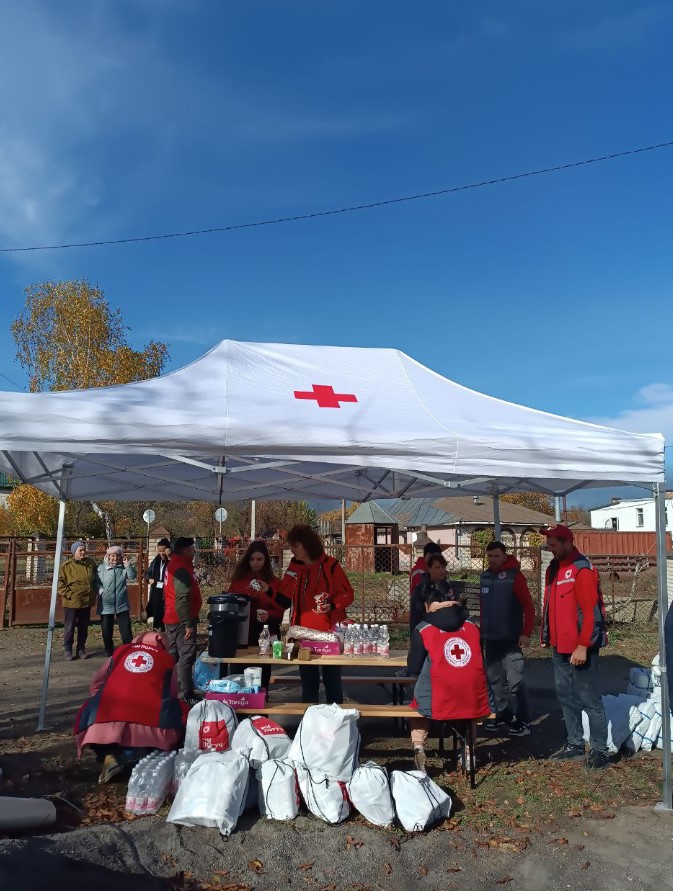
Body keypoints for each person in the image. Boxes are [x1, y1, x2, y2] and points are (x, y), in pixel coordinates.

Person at [74, 631, 187, 783]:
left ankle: (111, 755)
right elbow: (172, 693)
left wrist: (102, 697)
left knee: (92, 707)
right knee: (180, 711)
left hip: (104, 719)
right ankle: (130, 757)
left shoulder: (121, 652)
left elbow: (95, 684)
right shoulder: (167, 659)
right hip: (150, 721)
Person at [540, 524, 609, 770]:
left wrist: (583, 645)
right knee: (566, 695)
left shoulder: (582, 570)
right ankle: (574, 744)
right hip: (560, 646)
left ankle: (600, 750)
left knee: (588, 698)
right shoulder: (554, 569)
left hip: (581, 647)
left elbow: (591, 614)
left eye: (553, 545)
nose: (549, 549)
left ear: (567, 542)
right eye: (548, 544)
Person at [406, 586, 490, 772]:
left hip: (439, 698)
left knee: (417, 704)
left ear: (429, 605)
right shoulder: (472, 626)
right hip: (473, 694)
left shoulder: (424, 628)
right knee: (469, 707)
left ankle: (419, 747)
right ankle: (468, 752)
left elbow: (413, 667)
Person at [281, 524, 354, 704]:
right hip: (301, 635)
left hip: (329, 635)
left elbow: (348, 594)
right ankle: (309, 723)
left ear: (307, 545)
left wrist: (333, 604)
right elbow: (284, 593)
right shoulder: (294, 566)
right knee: (308, 684)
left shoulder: (331, 566)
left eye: (295, 546)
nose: (292, 551)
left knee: (332, 682)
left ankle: (336, 724)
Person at [479, 541, 535, 736]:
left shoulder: (515, 577)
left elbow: (528, 606)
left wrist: (526, 633)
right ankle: (503, 716)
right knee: (496, 682)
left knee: (515, 682)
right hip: (491, 640)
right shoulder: (485, 577)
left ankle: (523, 722)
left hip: (511, 640)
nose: (493, 559)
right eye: (490, 556)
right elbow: (482, 607)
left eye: (496, 556)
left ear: (504, 556)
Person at [227, 540, 291, 690]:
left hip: (266, 636)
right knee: (239, 679)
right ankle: (241, 712)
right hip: (242, 636)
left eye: (259, 559)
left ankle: (260, 708)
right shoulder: (239, 581)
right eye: (252, 559)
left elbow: (282, 606)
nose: (255, 563)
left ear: (266, 560)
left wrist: (269, 615)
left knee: (261, 681)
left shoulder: (274, 583)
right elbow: (230, 604)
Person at [164, 537, 202, 705]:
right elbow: (181, 598)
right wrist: (187, 623)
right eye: (192, 549)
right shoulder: (181, 569)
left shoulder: (177, 564)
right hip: (180, 620)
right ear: (185, 550)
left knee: (173, 655)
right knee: (186, 655)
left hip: (173, 617)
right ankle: (187, 693)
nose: (194, 552)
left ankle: (166, 688)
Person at [58, 540, 98, 661]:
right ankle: (68, 650)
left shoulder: (90, 563)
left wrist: (94, 592)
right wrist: (69, 594)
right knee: (69, 626)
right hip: (72, 602)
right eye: (80, 550)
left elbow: (95, 579)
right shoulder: (66, 566)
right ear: (74, 552)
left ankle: (81, 649)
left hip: (86, 601)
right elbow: (60, 583)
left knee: (83, 626)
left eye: (84, 550)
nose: (83, 552)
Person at [96, 546, 137, 657]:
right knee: (106, 629)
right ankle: (109, 650)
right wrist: (101, 591)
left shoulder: (124, 567)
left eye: (118, 556)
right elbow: (96, 581)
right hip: (106, 603)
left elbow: (132, 577)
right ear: (108, 556)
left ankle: (128, 650)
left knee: (126, 630)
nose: (115, 558)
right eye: (113, 556)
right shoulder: (100, 568)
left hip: (121, 603)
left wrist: (127, 564)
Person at [409, 553, 461, 635]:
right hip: (426, 631)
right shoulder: (422, 588)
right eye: (437, 567)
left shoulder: (447, 586)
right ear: (429, 569)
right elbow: (420, 613)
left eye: (443, 567)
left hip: (446, 630)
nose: (442, 570)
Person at [145, 538, 171, 630]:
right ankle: (157, 630)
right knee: (156, 612)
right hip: (156, 590)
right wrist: (149, 579)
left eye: (163, 551)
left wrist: (169, 557)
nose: (161, 553)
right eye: (159, 551)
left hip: (167, 591)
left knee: (166, 612)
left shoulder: (172, 560)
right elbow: (148, 572)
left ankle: (167, 632)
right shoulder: (156, 560)